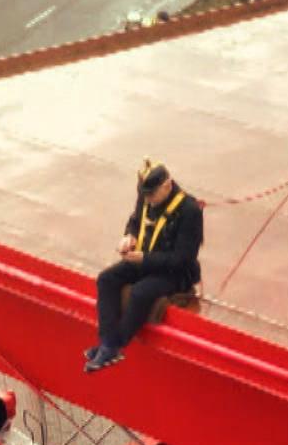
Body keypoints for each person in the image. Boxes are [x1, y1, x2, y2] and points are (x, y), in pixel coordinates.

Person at [85, 159, 203, 373]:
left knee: (140, 293)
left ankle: (115, 344)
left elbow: (183, 258)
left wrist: (145, 259)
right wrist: (128, 236)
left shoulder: (189, 210)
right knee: (106, 279)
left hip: (174, 272)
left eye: (151, 195)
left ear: (167, 186)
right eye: (145, 195)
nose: (147, 200)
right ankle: (106, 342)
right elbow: (135, 220)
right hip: (143, 259)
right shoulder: (147, 196)